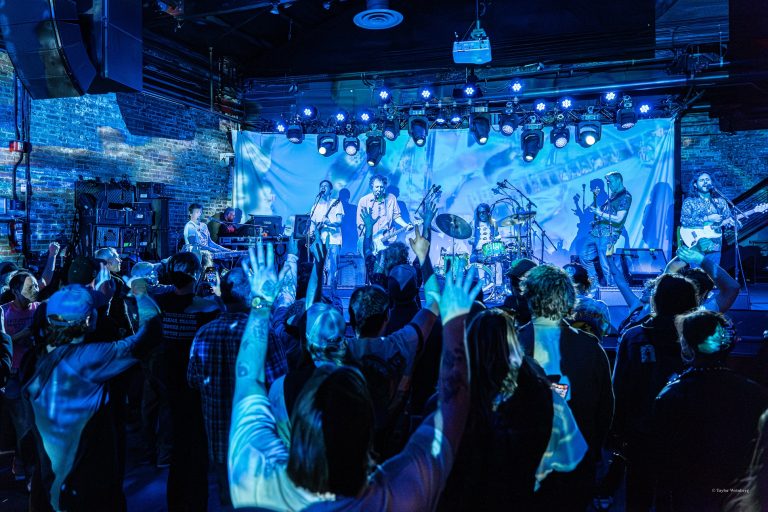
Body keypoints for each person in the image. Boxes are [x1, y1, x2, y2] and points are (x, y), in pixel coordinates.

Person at [228, 242, 481, 511]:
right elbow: (454, 405)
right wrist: (455, 323)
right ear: (365, 426)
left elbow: (247, 381)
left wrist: (260, 304)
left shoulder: (257, 485)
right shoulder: (398, 496)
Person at [24, 284, 161, 511]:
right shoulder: (84, 358)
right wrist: (142, 296)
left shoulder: (37, 356)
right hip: (87, 478)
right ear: (87, 321)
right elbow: (147, 338)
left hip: (53, 474)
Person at [187, 267, 288, 506]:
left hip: (220, 438)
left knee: (227, 498)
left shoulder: (203, 334)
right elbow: (280, 386)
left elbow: (192, 380)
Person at [517, 264, 614, 509]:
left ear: (528, 297)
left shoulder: (512, 343)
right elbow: (606, 410)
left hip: (525, 464)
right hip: (577, 462)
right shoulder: (590, 347)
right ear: (569, 300)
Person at [651, 310, 768, 511]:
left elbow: (663, 461)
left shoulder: (672, 394)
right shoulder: (755, 392)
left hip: (692, 495)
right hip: (740, 495)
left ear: (687, 345)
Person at [611, 273, 700, 509]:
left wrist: (617, 432)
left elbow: (619, 387)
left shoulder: (635, 336)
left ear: (656, 300)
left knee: (639, 492)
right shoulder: (697, 336)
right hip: (686, 430)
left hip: (642, 430)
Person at [0, 271, 41, 482]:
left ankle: (25, 462)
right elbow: (3, 343)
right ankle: (24, 466)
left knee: (36, 423)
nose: (34, 290)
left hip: (36, 374)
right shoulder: (3, 312)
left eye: (35, 285)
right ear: (15, 290)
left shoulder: (39, 309)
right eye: (29, 286)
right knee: (22, 423)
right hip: (15, 375)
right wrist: (25, 333)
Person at [581, 171, 632, 288]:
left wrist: (599, 213)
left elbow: (619, 219)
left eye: (611, 182)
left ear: (619, 180)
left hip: (609, 234)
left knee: (605, 263)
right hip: (596, 232)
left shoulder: (625, 197)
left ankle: (611, 289)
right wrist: (597, 217)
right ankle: (595, 286)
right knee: (584, 256)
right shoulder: (612, 196)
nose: (609, 184)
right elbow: (607, 214)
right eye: (607, 182)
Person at [679, 172, 732, 266]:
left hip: (714, 245)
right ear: (695, 184)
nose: (705, 182)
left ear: (712, 183)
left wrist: (733, 224)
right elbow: (684, 221)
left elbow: (728, 221)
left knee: (712, 276)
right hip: (696, 244)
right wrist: (707, 218)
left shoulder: (720, 202)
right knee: (696, 275)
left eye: (707, 180)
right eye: (702, 180)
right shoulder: (690, 202)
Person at [356, 174, 411, 254]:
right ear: (372, 187)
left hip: (387, 238)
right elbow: (360, 223)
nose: (379, 189)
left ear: (385, 187)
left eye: (381, 187)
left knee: (387, 262)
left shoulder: (391, 198)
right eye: (377, 187)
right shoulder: (364, 200)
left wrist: (406, 225)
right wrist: (371, 238)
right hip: (371, 241)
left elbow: (396, 216)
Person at [308, 180, 344, 295]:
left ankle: (333, 293)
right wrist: (311, 235)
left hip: (334, 239)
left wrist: (329, 223)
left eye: (325, 186)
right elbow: (312, 224)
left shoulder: (336, 203)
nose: (323, 188)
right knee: (319, 266)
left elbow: (339, 222)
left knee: (333, 266)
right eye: (321, 186)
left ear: (331, 191)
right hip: (319, 241)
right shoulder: (315, 205)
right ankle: (319, 293)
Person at [563, 262, 612, 340]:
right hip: (592, 350)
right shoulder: (600, 307)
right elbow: (606, 332)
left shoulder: (553, 308)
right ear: (585, 284)